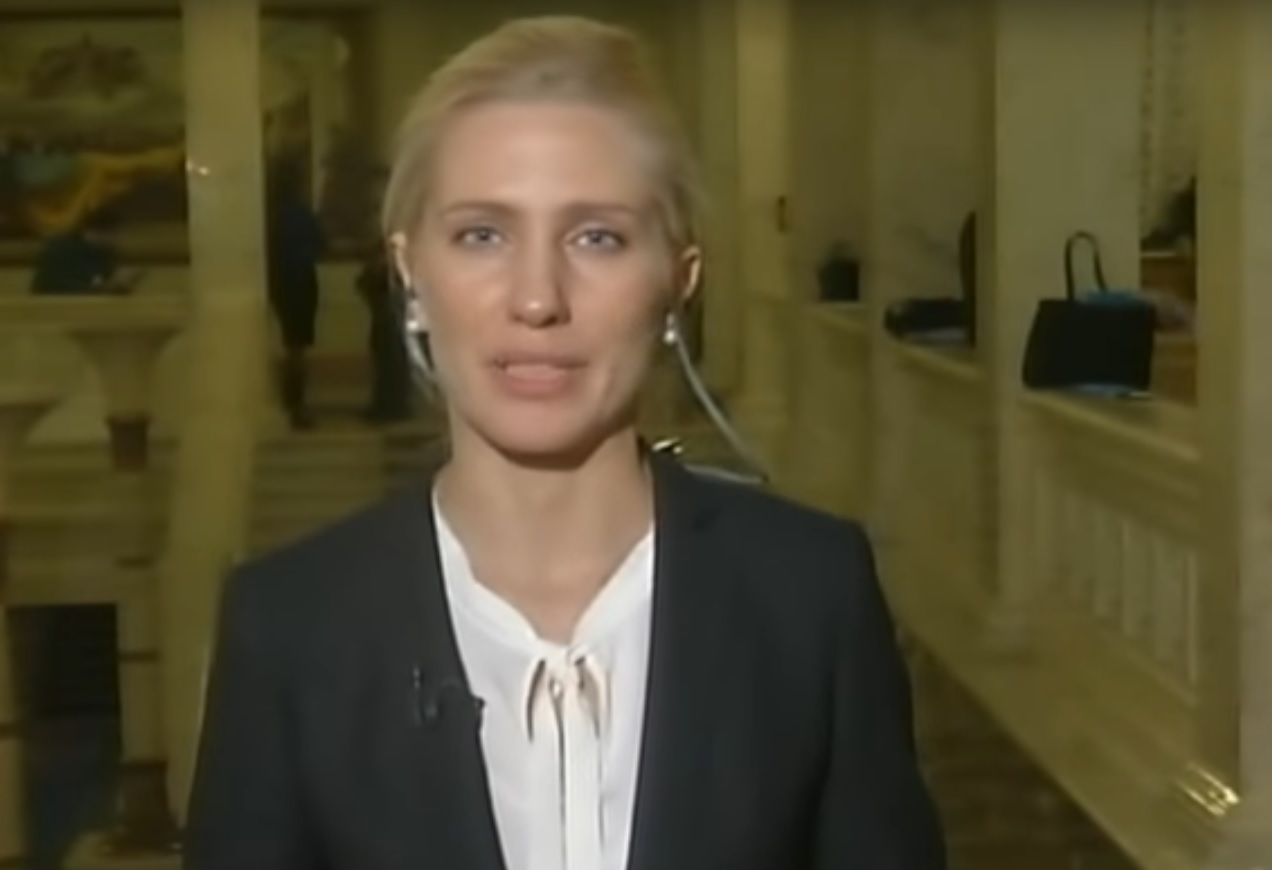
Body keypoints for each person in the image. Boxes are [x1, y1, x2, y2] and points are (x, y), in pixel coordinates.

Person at [185, 16, 945, 870]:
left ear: (678, 283)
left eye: (597, 237)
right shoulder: (288, 627)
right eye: (482, 234)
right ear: (410, 275)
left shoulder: (810, 597)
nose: (538, 299)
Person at [264, 162, 326, 429]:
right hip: (300, 282)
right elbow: (321, 244)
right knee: (297, 349)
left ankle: (285, 402)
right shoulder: (300, 214)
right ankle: (296, 406)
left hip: (277, 283)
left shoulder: (270, 215)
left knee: (287, 346)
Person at [355, 238, 413, 423]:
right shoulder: (392, 270)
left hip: (389, 322)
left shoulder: (388, 271)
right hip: (389, 322)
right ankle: (391, 406)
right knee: (390, 365)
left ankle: (390, 407)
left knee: (390, 366)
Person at [29, 205, 131, 295]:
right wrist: (103, 289)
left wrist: (117, 283)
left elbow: (101, 281)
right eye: (111, 234)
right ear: (92, 232)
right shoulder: (61, 250)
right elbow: (54, 286)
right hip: (49, 305)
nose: (114, 240)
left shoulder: (104, 252)